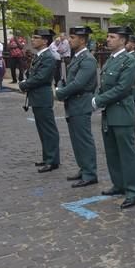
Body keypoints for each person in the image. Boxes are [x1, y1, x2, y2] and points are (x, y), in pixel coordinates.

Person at [93, 26, 135, 209]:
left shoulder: (130, 61)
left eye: (112, 37)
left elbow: (122, 88)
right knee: (112, 152)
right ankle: (119, 184)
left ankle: (134, 191)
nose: (108, 39)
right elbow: (105, 85)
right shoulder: (110, 60)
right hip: (109, 113)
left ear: (122, 40)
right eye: (108, 36)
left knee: (128, 154)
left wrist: (98, 101)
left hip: (122, 113)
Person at [56, 26, 98, 188]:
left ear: (82, 40)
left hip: (81, 102)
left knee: (83, 139)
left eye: (72, 38)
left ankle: (90, 173)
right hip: (74, 103)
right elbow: (69, 79)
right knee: (76, 140)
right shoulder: (77, 57)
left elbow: (79, 83)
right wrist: (61, 86)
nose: (69, 40)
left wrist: (60, 93)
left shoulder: (87, 59)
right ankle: (84, 168)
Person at [19, 29, 60, 173]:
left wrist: (24, 84)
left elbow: (41, 77)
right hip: (36, 97)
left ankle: (52, 160)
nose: (32, 39)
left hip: (42, 97)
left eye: (36, 37)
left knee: (48, 130)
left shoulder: (48, 57)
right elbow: (33, 74)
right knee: (42, 129)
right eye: (33, 36)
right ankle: (47, 157)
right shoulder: (40, 56)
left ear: (45, 41)